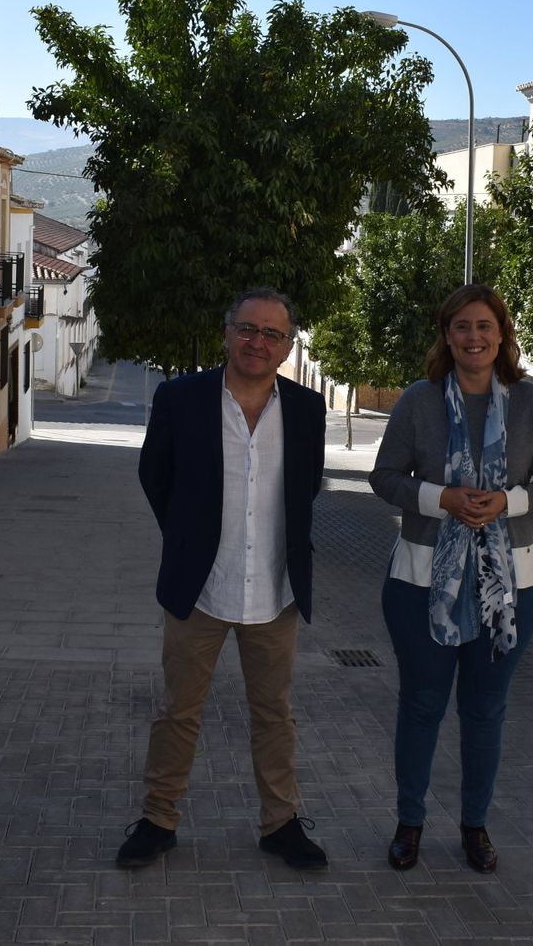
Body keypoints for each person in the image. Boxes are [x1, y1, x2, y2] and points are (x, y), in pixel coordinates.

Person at [117, 288, 329, 872]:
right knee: (179, 711)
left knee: (274, 714)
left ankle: (281, 824)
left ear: (287, 347)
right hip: (200, 590)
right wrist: (187, 538)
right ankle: (158, 820)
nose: (258, 342)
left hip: (276, 589)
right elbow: (153, 475)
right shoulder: (181, 399)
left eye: (272, 334)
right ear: (227, 332)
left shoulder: (308, 411)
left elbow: (305, 489)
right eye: (247, 329)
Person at [368, 284, 533, 873]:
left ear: (502, 333)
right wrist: (442, 498)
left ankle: (475, 827)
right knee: (422, 703)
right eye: (462, 326)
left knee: (485, 711)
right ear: (447, 335)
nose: (474, 337)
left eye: (485, 325)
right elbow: (386, 478)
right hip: (418, 585)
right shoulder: (418, 400)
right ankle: (409, 823)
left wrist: (508, 503)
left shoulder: (532, 405)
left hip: (509, 591)